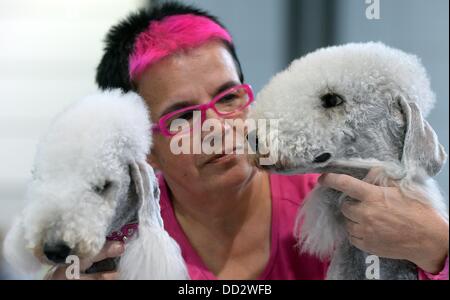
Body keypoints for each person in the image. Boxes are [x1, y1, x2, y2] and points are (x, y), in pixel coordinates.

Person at [50, 2, 448, 280]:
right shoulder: (120, 243)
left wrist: (437, 248)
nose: (220, 128)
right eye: (183, 116)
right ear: (145, 147)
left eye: (228, 97)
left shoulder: (342, 202)